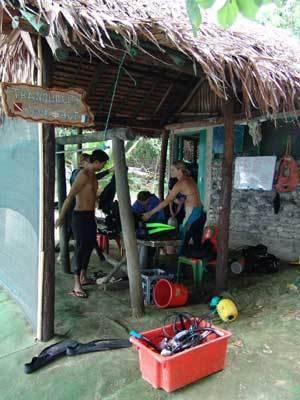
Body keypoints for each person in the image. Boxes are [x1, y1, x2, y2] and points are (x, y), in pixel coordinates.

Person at [55, 149, 109, 298]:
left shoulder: (93, 176)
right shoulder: (83, 175)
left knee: (89, 244)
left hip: (90, 215)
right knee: (80, 248)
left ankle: (83, 277)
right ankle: (76, 285)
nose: (103, 167)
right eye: (103, 164)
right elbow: (70, 196)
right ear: (96, 162)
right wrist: (61, 216)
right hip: (79, 216)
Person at [143, 161, 206, 255]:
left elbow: (166, 201)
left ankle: (180, 266)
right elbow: (192, 196)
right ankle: (196, 265)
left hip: (193, 214)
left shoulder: (180, 183)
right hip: (199, 213)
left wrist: (150, 213)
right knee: (195, 243)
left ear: (180, 170)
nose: (171, 172)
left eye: (173, 170)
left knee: (182, 241)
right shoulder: (190, 179)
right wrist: (182, 201)